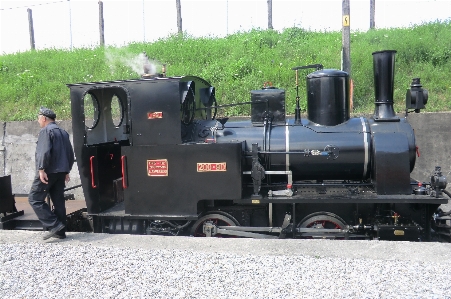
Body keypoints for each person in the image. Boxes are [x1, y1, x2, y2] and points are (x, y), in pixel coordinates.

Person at [28, 107, 74, 240]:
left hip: (48, 172)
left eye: (38, 119)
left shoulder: (46, 131)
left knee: (34, 198)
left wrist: (41, 169)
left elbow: (43, 151)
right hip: (61, 172)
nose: (38, 121)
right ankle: (61, 231)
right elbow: (70, 153)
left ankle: (54, 226)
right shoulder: (63, 132)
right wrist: (67, 170)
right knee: (58, 200)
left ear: (43, 118)